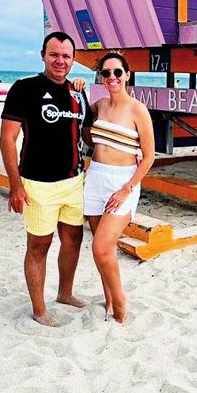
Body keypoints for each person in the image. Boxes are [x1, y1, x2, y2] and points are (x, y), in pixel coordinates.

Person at [0, 31, 93, 327]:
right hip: (37, 184)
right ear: (43, 55)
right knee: (39, 246)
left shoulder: (79, 93)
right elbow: (7, 139)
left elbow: (88, 133)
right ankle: (39, 310)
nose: (60, 61)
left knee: (73, 240)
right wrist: (14, 186)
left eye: (66, 56)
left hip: (74, 181)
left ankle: (65, 293)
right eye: (54, 54)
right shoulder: (24, 89)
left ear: (74, 60)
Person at [84, 51, 155, 323]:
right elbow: (77, 109)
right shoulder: (99, 105)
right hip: (96, 179)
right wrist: (77, 86)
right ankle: (110, 300)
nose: (111, 77)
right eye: (105, 72)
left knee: (101, 248)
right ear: (100, 77)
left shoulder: (138, 109)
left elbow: (149, 156)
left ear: (127, 74)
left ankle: (121, 300)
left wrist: (127, 188)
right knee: (105, 250)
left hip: (122, 182)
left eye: (117, 72)